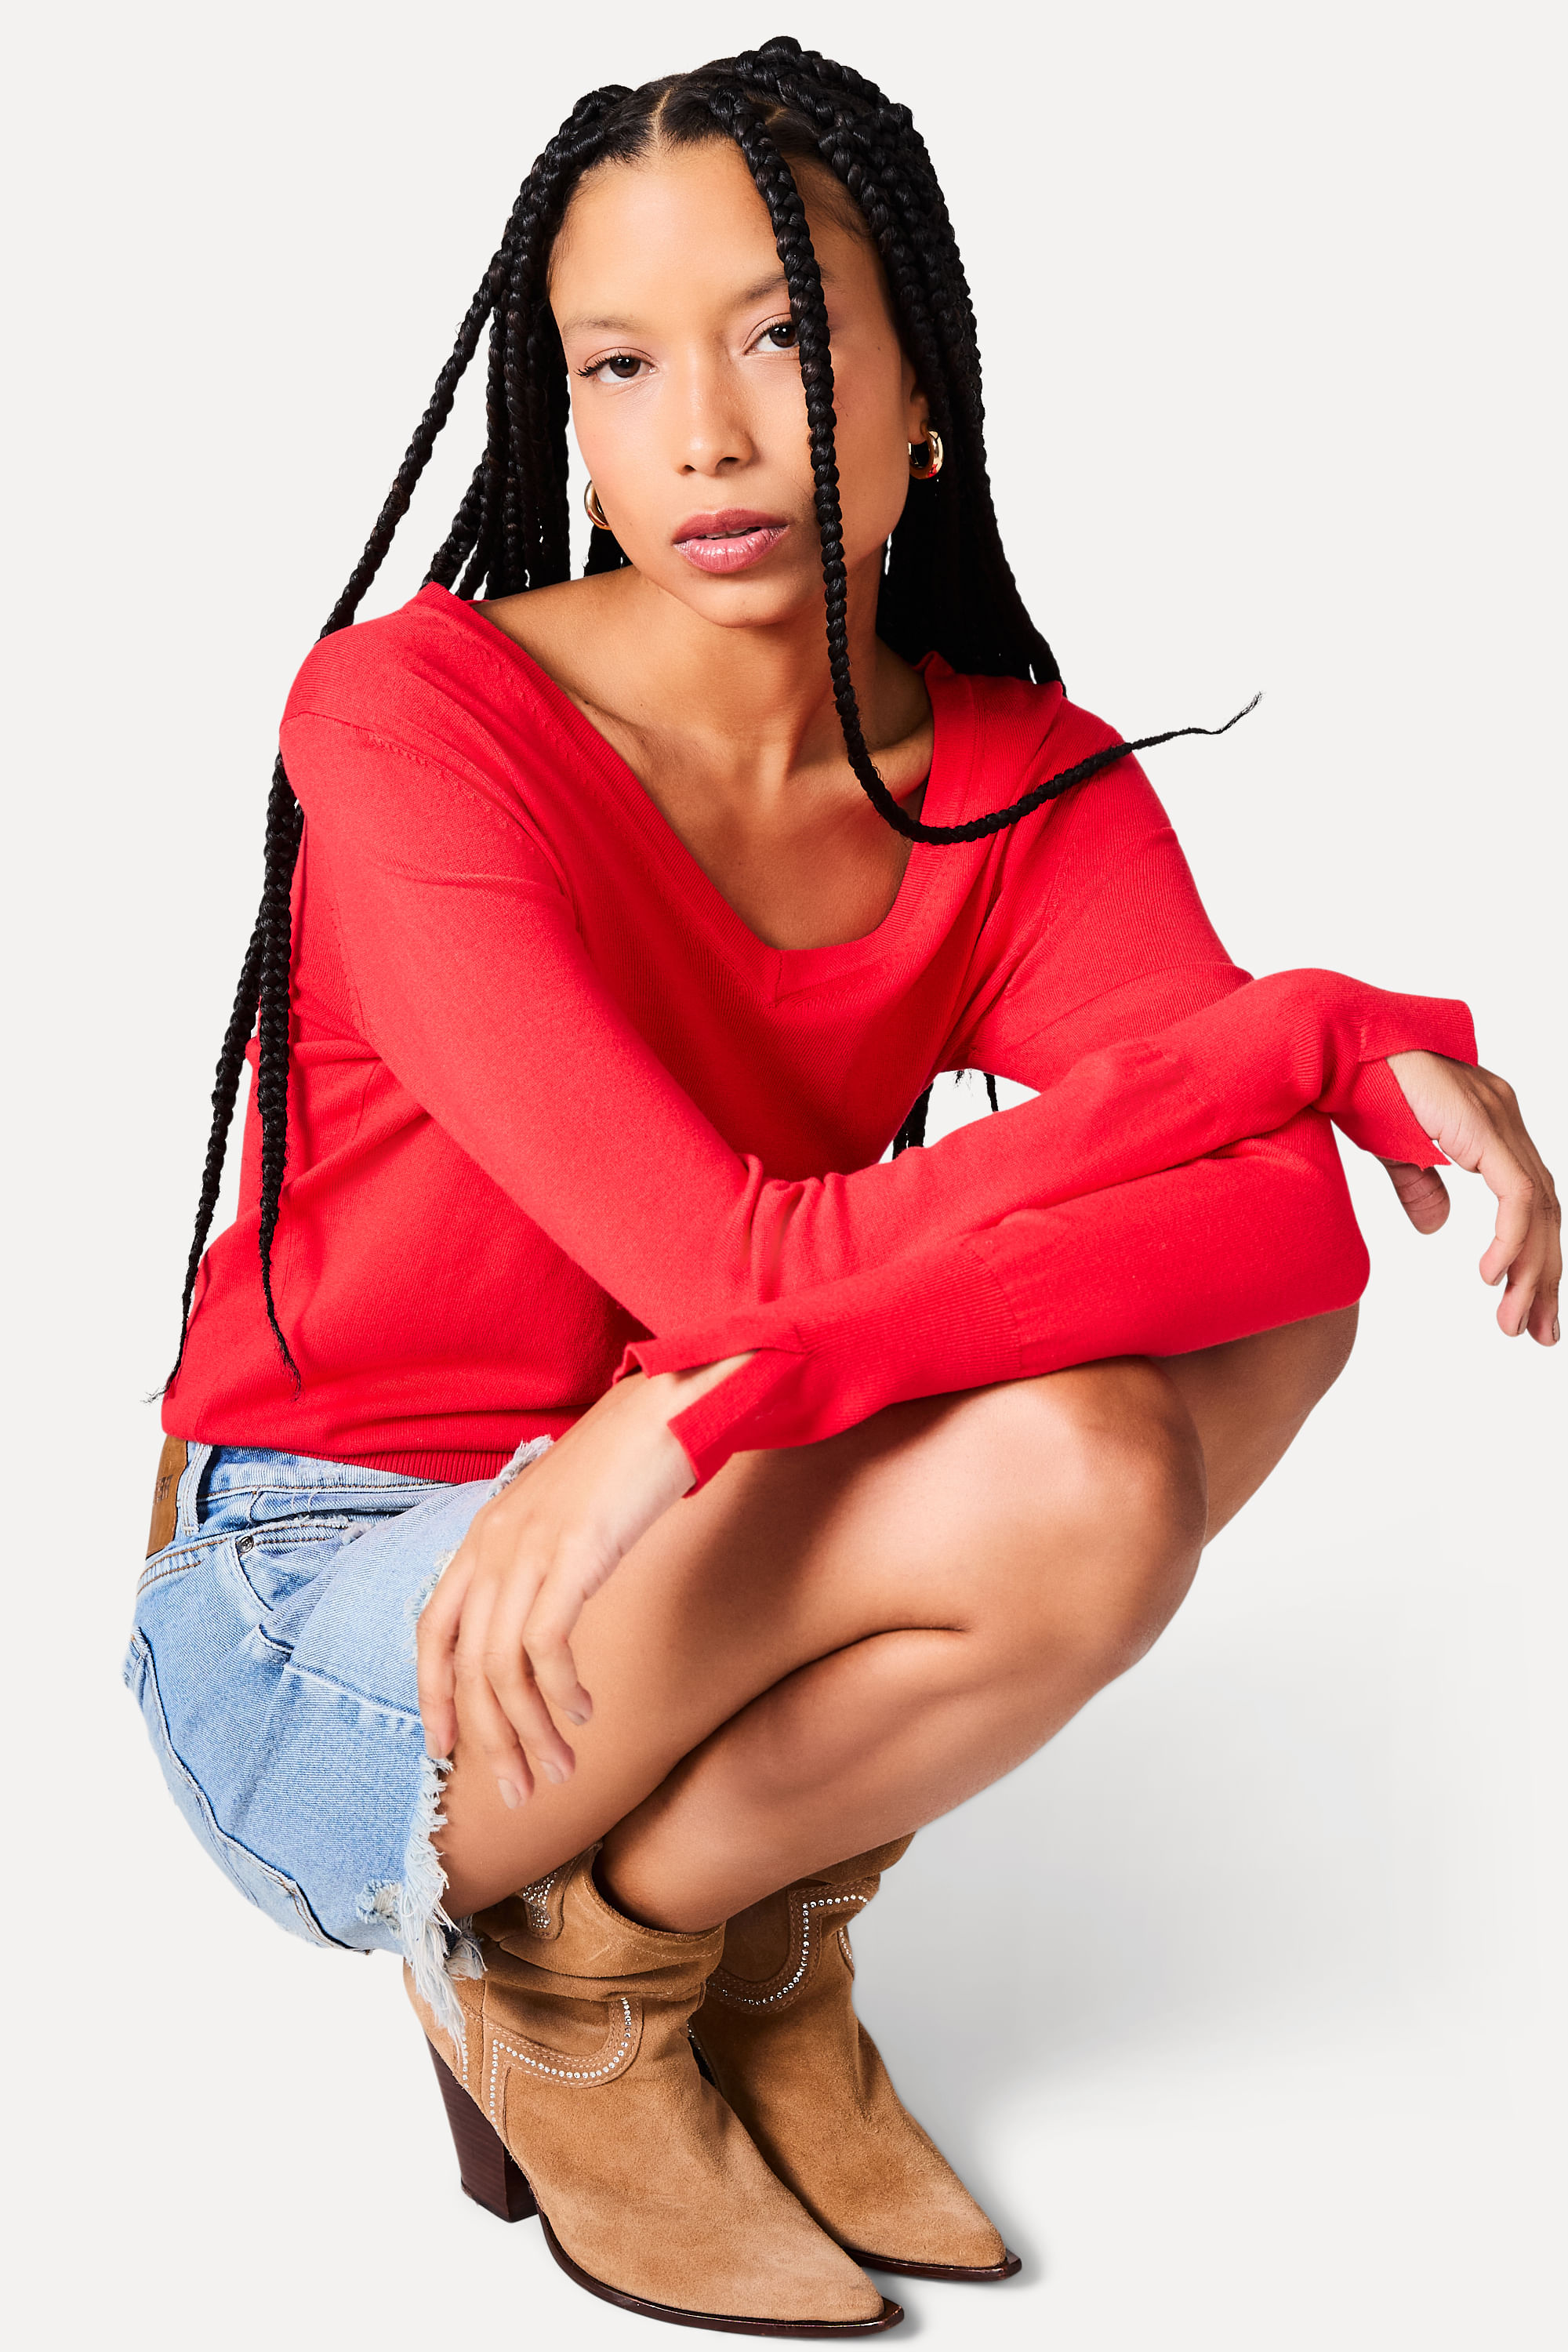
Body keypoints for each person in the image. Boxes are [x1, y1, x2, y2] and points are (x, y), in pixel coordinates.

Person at [127, 35, 1558, 2341]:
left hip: (663, 1515)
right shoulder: (415, 722)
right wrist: (1303, 1027)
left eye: (781, 336)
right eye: (619, 362)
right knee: (1078, 1411)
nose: (701, 432)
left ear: (920, 395)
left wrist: (692, 1405)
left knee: (1153, 1410)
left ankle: (659, 1946)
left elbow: (1286, 1243)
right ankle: (577, 1996)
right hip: (325, 1609)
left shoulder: (1013, 781)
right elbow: (722, 1264)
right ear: (568, 412)